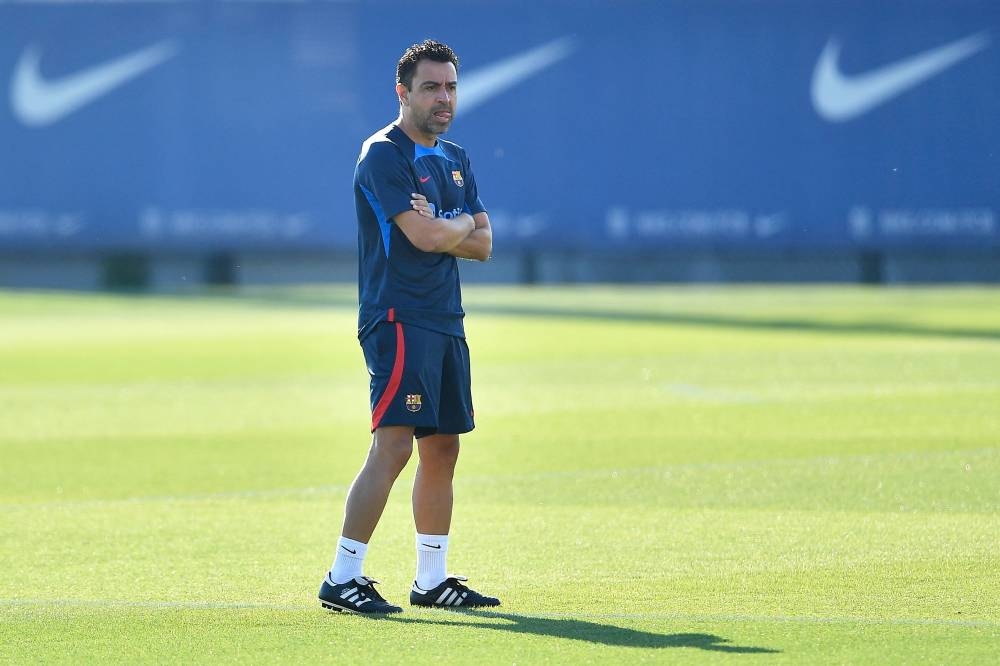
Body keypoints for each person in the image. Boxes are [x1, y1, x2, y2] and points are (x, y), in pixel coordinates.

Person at [318, 39, 498, 614]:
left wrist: (454, 222)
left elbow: (484, 245)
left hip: (445, 316)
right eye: (430, 87)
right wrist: (459, 224)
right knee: (394, 445)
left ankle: (431, 579)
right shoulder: (383, 154)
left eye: (450, 87)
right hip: (397, 315)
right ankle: (342, 576)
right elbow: (422, 238)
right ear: (403, 92)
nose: (443, 98)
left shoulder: (455, 157)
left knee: (442, 447)